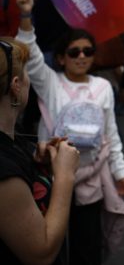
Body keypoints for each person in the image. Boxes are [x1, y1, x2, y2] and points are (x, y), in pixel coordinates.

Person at [16, 0, 124, 264]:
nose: (81, 56)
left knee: (87, 249)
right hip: (53, 182)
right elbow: (28, 54)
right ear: (60, 58)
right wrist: (25, 15)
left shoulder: (103, 87)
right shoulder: (50, 83)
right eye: (74, 51)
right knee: (52, 248)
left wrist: (120, 171)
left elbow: (110, 133)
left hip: (91, 181)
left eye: (88, 51)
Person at [0, 36, 81, 264]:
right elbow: (41, 252)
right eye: (26, 75)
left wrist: (37, 165)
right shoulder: (4, 172)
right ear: (16, 85)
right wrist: (65, 175)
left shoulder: (13, 139)